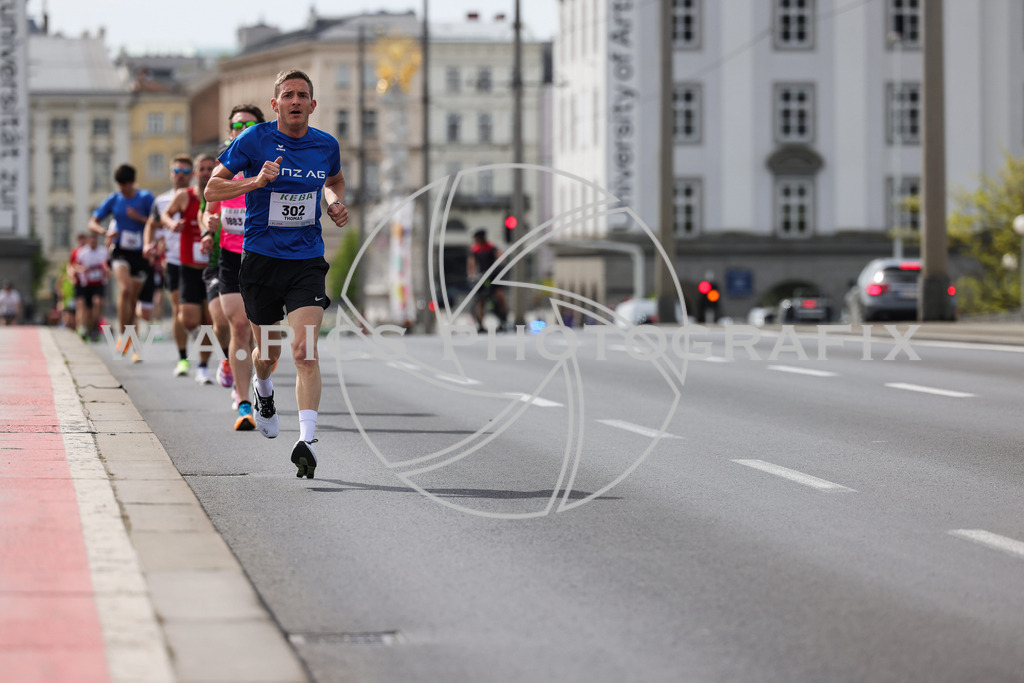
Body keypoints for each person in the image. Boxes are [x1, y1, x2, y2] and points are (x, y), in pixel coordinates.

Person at [205, 69, 349, 478]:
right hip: (261, 260)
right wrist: (254, 181)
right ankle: (262, 390)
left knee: (304, 352)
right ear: (276, 104)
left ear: (313, 104)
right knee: (266, 355)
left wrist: (334, 201)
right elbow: (211, 190)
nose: (296, 101)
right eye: (288, 95)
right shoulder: (253, 140)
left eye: (303, 95)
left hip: (306, 260)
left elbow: (334, 180)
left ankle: (307, 440)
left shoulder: (326, 145)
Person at [202, 104, 266, 431]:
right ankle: (244, 404)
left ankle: (259, 379)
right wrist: (207, 225)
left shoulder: (270, 164)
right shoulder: (223, 167)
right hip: (229, 255)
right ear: (230, 133)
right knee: (238, 327)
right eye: (236, 125)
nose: (241, 129)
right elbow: (208, 208)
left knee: (264, 336)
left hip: (265, 256)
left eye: (249, 125)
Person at [89, 164, 155, 355]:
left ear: (133, 182)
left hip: (140, 253)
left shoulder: (145, 198)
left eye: (125, 185)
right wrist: (105, 231)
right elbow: (92, 222)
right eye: (119, 185)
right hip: (120, 250)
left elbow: (157, 222)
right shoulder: (114, 199)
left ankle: (132, 341)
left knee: (133, 300)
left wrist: (139, 218)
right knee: (125, 290)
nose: (122, 189)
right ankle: (122, 334)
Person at [161, 156, 214, 384]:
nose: (205, 172)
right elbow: (164, 215)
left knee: (209, 322)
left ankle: (203, 367)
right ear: (195, 173)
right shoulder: (185, 196)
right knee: (190, 320)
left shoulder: (221, 196)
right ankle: (185, 354)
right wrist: (172, 224)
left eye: (210, 169)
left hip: (213, 268)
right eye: (201, 169)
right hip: (188, 268)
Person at [144, 156, 195, 377]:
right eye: (177, 170)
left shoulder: (200, 195)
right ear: (171, 174)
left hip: (199, 261)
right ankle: (183, 358)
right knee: (178, 310)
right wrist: (149, 244)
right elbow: (152, 224)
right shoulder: (161, 201)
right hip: (174, 260)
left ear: (191, 174)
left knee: (201, 314)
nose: (181, 174)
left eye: (185, 170)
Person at [194, 153, 233, 391]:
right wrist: (207, 233)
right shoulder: (217, 183)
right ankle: (227, 358)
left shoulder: (259, 177)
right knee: (219, 320)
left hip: (254, 258)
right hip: (219, 260)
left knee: (244, 325)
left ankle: (248, 382)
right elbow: (204, 214)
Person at [70, 231, 109, 340]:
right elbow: (75, 266)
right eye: (91, 241)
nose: (93, 242)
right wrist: (83, 269)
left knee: (97, 303)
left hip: (98, 283)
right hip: (85, 284)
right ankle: (84, 328)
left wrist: (107, 271)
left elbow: (108, 265)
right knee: (84, 307)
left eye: (95, 240)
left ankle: (94, 326)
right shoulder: (82, 253)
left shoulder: (103, 251)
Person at [467, 228, 509, 332]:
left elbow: (501, 257)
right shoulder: (475, 249)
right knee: (480, 301)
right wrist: (471, 275)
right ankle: (480, 324)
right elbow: (471, 263)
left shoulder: (491, 247)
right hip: (481, 277)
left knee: (500, 296)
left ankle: (503, 321)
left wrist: (500, 264)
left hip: (493, 276)